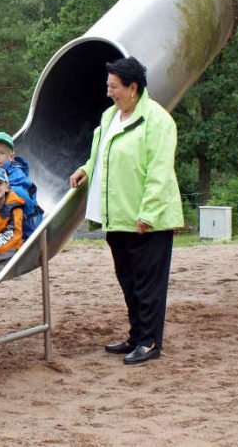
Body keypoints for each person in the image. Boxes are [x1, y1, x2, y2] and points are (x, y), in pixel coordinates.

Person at [69, 56, 184, 365]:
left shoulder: (157, 121)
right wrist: (85, 169)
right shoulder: (110, 117)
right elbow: (102, 155)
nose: (109, 92)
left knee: (149, 285)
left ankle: (149, 343)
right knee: (129, 282)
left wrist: (147, 213)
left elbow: (159, 172)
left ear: (133, 88)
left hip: (147, 221)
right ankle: (136, 336)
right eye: (108, 86)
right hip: (117, 217)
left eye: (114, 87)